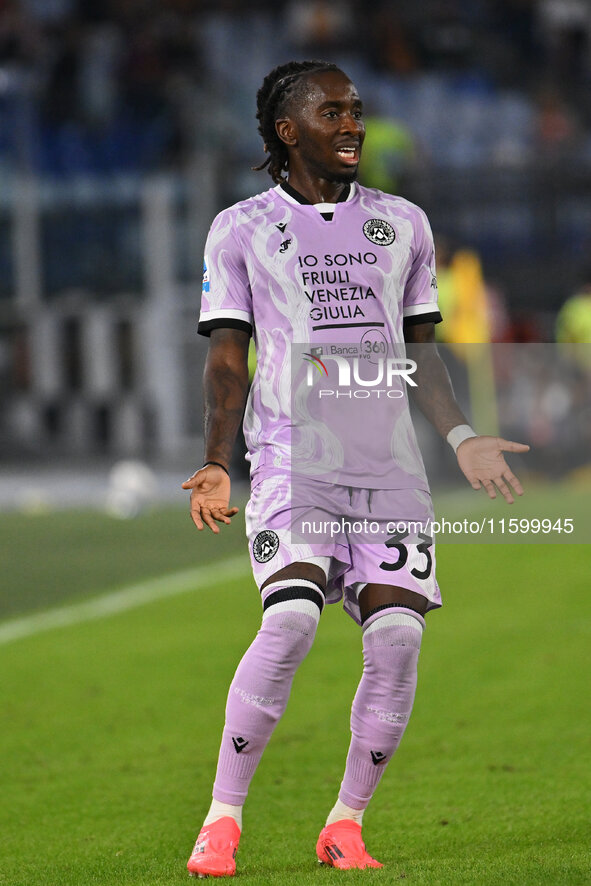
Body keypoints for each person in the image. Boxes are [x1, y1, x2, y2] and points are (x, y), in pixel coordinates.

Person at [182, 60, 529, 877]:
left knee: (401, 637)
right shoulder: (238, 229)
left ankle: (345, 823)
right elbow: (227, 360)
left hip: (389, 471)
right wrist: (215, 461)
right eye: (331, 112)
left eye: (357, 111)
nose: (352, 126)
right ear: (286, 129)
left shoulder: (404, 223)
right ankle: (221, 820)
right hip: (292, 459)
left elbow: (422, 355)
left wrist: (460, 438)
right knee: (291, 619)